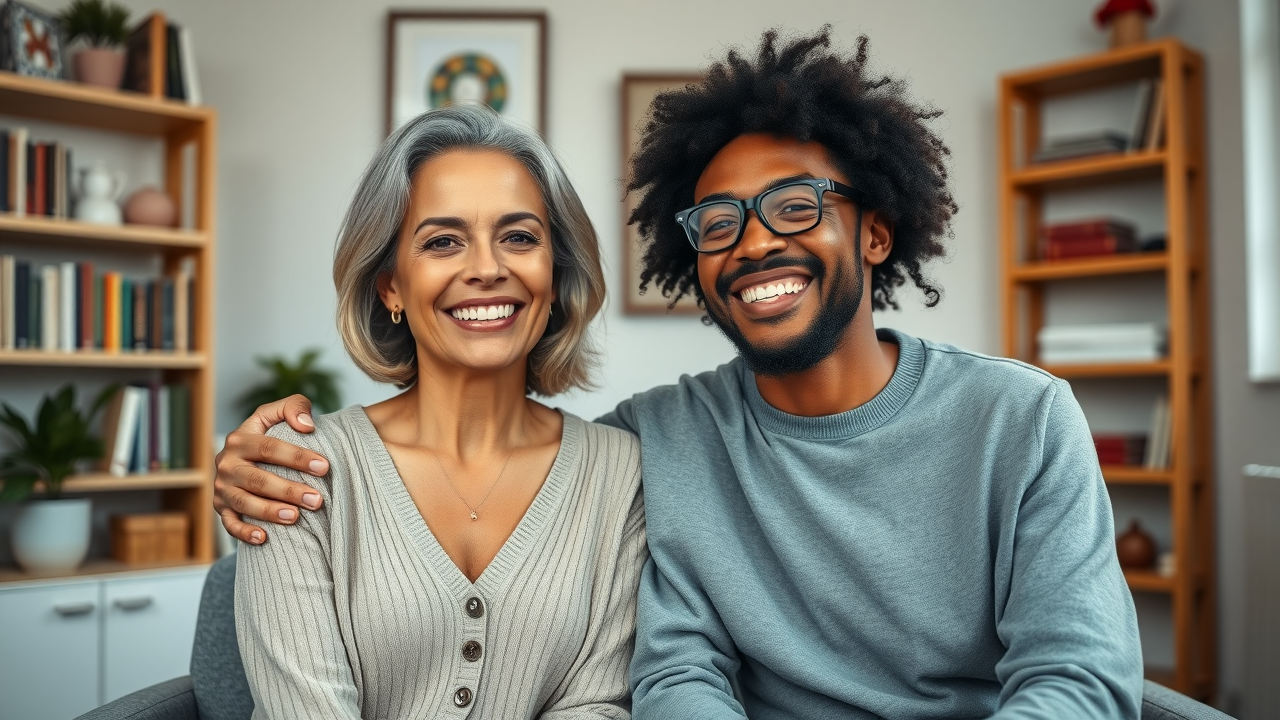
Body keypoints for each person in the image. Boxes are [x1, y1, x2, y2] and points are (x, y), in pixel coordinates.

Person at [215, 29, 1142, 720]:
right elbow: (675, 668)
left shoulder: (1022, 419)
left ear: (875, 231)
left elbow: (1079, 675)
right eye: (722, 223)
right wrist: (247, 461)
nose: (756, 243)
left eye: (795, 205)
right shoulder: (658, 440)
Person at [231, 103, 647, 719]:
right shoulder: (297, 471)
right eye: (443, 241)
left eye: (519, 237)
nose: (487, 269)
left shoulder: (620, 473)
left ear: (555, 273)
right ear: (391, 285)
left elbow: (598, 705)